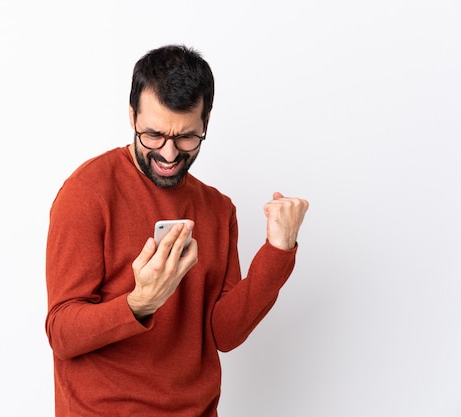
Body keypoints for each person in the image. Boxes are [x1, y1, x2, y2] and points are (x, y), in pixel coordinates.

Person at [45, 44, 309, 417]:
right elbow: (62, 334)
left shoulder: (218, 209)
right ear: (132, 116)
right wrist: (140, 303)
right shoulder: (88, 192)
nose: (169, 155)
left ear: (206, 123)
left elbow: (224, 334)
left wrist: (278, 251)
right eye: (153, 135)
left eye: (186, 137)